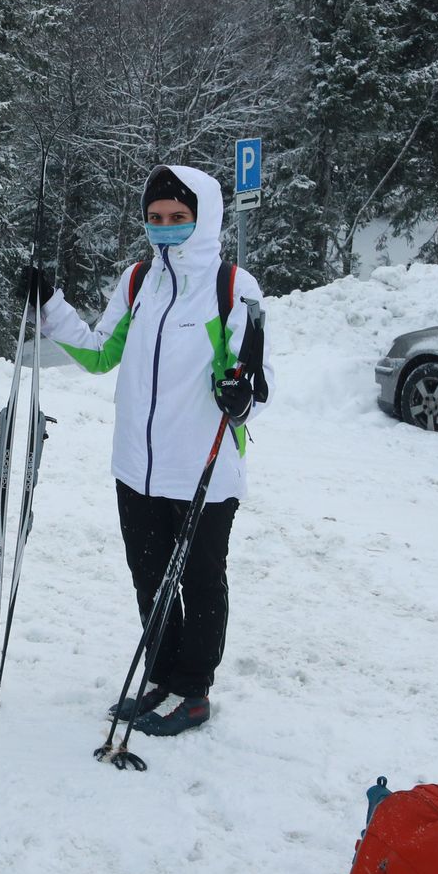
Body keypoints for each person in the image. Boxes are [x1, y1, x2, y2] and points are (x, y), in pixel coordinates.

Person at [21, 163, 270, 737]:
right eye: (155, 218)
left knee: (201, 580)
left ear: (202, 218)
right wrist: (50, 304)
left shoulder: (232, 287)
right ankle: (159, 675)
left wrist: (240, 392)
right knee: (149, 575)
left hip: (203, 468)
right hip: (136, 467)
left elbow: (259, 378)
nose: (165, 228)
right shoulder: (137, 283)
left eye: (178, 218)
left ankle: (194, 690)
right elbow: (99, 353)